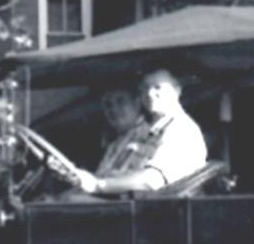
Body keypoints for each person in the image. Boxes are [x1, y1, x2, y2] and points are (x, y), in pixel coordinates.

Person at [72, 69, 207, 195]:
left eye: (157, 87)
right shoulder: (149, 132)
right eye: (145, 88)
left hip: (161, 208)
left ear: (177, 90)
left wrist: (99, 185)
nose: (149, 94)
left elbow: (152, 180)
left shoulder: (182, 130)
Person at [94, 87, 147, 177]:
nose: (114, 109)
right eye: (108, 104)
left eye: (120, 101)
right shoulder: (113, 144)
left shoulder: (147, 135)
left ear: (137, 103)